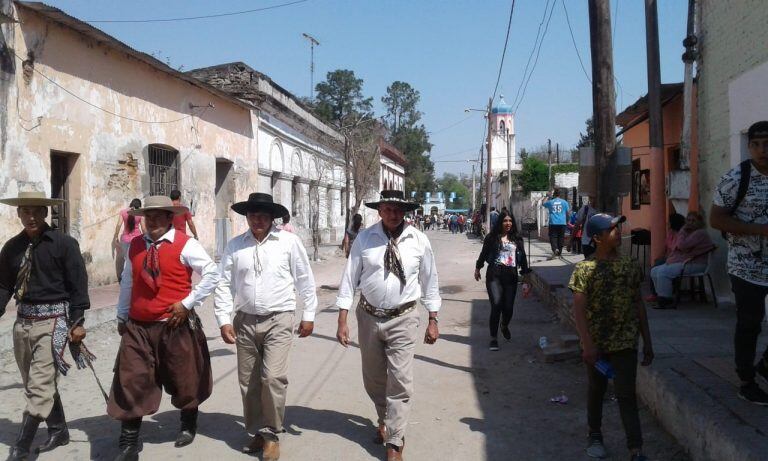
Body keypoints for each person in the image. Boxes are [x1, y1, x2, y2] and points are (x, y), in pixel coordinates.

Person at [108, 195, 219, 459]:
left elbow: (213, 274)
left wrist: (188, 303)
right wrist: (122, 315)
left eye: (159, 216)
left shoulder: (186, 244)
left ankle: (188, 422)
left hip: (175, 324)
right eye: (149, 216)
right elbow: (128, 281)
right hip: (138, 326)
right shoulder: (134, 245)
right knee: (131, 377)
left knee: (184, 377)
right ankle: (129, 439)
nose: (153, 221)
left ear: (170, 218)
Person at [335, 190, 441, 461]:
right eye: (388, 209)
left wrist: (433, 318)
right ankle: (383, 418)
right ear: (380, 210)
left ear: (405, 212)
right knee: (374, 377)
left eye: (398, 209)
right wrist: (342, 318)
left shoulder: (419, 240)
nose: (393, 214)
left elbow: (430, 280)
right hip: (368, 316)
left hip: (404, 317)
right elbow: (350, 277)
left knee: (400, 380)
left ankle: (395, 439)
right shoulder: (365, 239)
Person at [215, 193, 317, 460]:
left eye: (262, 215)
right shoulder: (236, 246)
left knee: (272, 378)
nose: (257, 220)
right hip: (245, 320)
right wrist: (224, 320)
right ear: (247, 217)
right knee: (248, 382)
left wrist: (309, 314)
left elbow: (305, 279)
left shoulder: (289, 242)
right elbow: (224, 284)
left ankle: (271, 433)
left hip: (279, 319)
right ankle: (258, 432)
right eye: (252, 215)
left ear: (272, 218)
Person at [0, 191, 90, 460]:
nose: (31, 217)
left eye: (36, 211)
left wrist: (77, 321)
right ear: (18, 214)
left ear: (45, 213)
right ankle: (58, 430)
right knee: (35, 382)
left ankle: (21, 448)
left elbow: (78, 285)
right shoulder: (11, 248)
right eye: (25, 211)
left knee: (39, 385)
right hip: (23, 324)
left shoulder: (64, 244)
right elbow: (4, 286)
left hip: (55, 323)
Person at [569, 213, 653, 461]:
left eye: (618, 228)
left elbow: (638, 304)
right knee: (596, 390)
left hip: (625, 342)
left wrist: (647, 341)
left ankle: (635, 449)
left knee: (627, 394)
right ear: (597, 238)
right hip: (597, 343)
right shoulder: (584, 269)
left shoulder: (629, 265)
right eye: (612, 229)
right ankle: (595, 434)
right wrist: (587, 344)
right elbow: (579, 311)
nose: (619, 232)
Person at [710, 120, 768, 405]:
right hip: (747, 266)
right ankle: (746, 380)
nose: (762, 150)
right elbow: (716, 219)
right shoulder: (736, 178)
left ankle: (766, 366)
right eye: (756, 144)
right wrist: (759, 230)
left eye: (767, 144)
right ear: (749, 147)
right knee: (750, 323)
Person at [474, 211, 531, 351]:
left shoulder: (517, 239)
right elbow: (484, 253)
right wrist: (478, 268)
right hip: (494, 275)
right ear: (500, 222)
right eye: (505, 220)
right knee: (496, 305)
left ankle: (504, 325)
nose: (508, 223)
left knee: (509, 308)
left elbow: (523, 259)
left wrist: (525, 279)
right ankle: (494, 338)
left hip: (511, 276)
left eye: (510, 221)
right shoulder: (492, 237)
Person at [647, 212, 712, 308]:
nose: (690, 223)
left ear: (700, 222)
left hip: (697, 264)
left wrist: (682, 231)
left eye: (693, 221)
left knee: (663, 272)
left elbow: (681, 245)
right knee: (654, 270)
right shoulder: (691, 233)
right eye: (688, 220)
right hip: (687, 263)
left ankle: (666, 300)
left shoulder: (700, 233)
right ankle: (661, 296)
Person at [113, 198, 145, 282]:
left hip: (125, 239)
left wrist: (116, 237)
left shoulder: (123, 212)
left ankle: (124, 277)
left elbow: (119, 225)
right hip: (137, 239)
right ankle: (133, 276)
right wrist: (147, 237)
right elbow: (143, 228)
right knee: (135, 258)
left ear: (131, 204)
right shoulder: (139, 214)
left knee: (126, 258)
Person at [542, 190, 571, 259]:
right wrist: (567, 221)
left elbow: (543, 203)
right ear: (560, 195)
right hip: (562, 222)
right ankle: (559, 253)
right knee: (561, 237)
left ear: (554, 195)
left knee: (553, 237)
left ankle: (555, 249)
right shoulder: (564, 202)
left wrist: (547, 196)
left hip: (553, 222)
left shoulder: (551, 202)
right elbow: (568, 212)